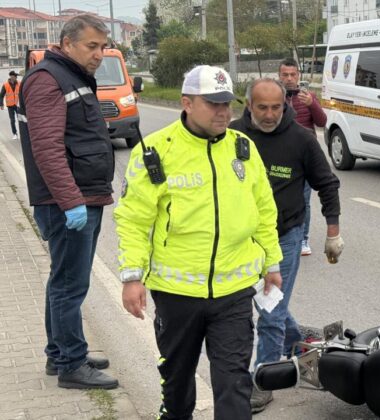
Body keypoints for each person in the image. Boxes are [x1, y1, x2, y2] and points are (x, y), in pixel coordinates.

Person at [115, 65, 284, 419]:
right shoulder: (157, 151)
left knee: (234, 385)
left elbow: (264, 211)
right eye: (213, 104)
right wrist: (132, 277)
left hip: (234, 293)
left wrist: (272, 264)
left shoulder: (243, 148)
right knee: (177, 388)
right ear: (187, 103)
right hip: (177, 295)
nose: (224, 112)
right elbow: (133, 219)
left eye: (228, 104)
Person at [230, 78, 343, 413]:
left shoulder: (301, 140)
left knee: (269, 311)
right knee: (270, 306)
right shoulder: (234, 137)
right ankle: (299, 341)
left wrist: (333, 232)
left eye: (276, 107)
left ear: (286, 105)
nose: (269, 114)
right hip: (241, 240)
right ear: (249, 105)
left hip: (284, 239)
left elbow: (327, 183)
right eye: (261, 107)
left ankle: (262, 380)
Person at [16, 15, 118, 389]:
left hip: (82, 195)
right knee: (70, 285)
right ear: (67, 42)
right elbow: (47, 148)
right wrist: (70, 201)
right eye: (92, 46)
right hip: (67, 202)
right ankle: (72, 365)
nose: (99, 54)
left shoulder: (69, 76)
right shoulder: (48, 79)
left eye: (103, 47)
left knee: (64, 281)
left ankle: (59, 353)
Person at [277, 58, 327, 256]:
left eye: (293, 74)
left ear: (298, 76)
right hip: (280, 157)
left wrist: (312, 104)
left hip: (304, 158)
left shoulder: (308, 96)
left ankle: (303, 239)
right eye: (285, 75)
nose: (289, 79)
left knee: (304, 200)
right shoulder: (274, 98)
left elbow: (322, 121)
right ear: (279, 76)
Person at [0, 70, 20, 139]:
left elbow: (23, 94)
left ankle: (22, 133)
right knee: (12, 120)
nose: (14, 78)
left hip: (18, 105)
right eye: (12, 76)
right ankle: (15, 134)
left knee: (20, 119)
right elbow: (1, 95)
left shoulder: (19, 84)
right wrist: (1, 104)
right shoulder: (5, 85)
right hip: (10, 106)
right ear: (11, 77)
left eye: (15, 77)